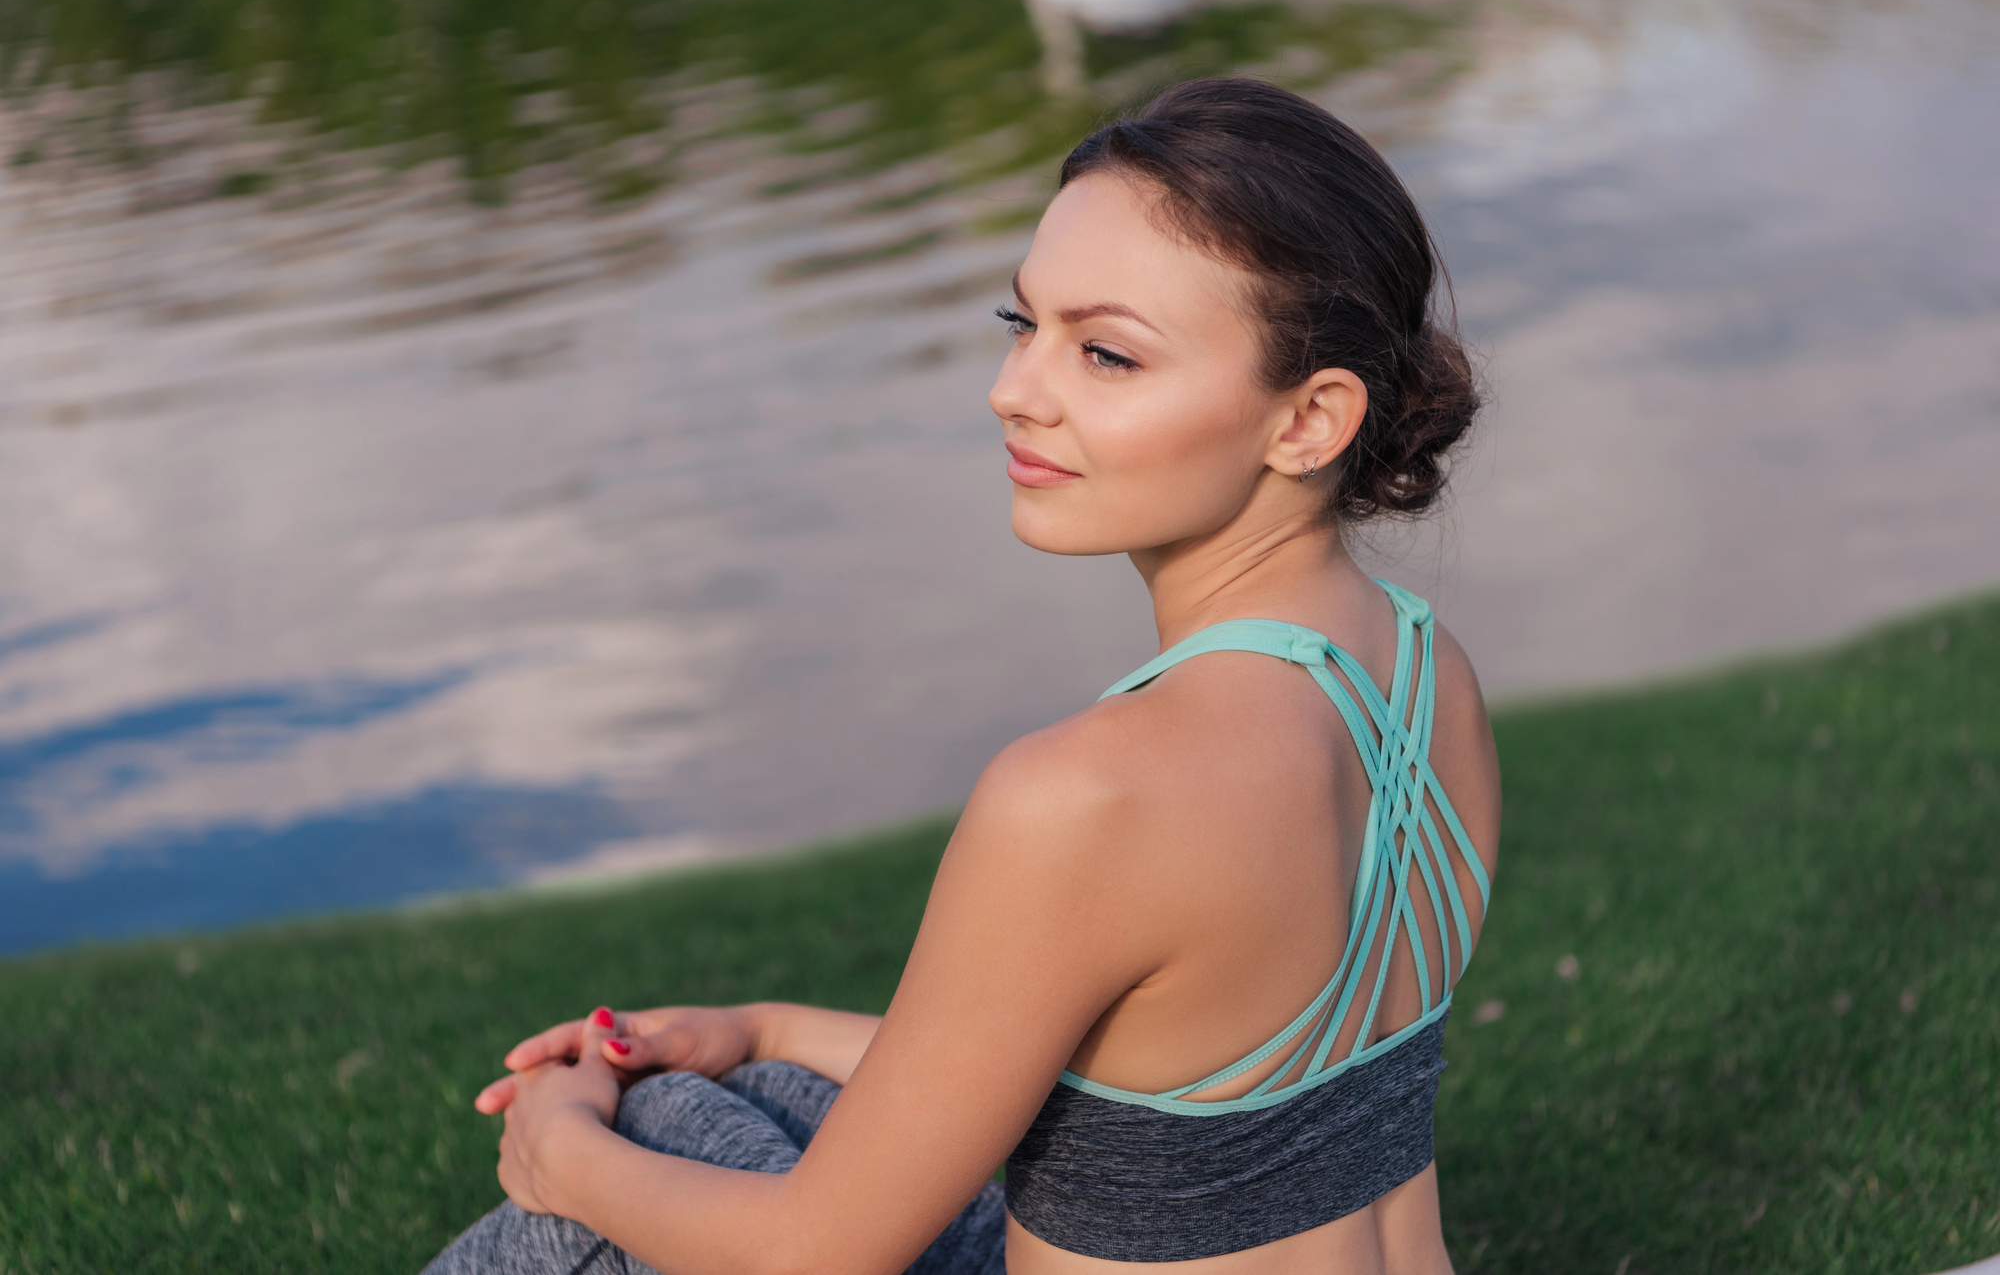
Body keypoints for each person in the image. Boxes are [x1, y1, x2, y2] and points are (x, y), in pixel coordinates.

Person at [425, 76, 1500, 1275]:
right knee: (745, 1089)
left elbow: (815, 1254)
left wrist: (561, 1150)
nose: (1013, 391)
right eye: (1020, 326)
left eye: (1102, 354)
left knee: (598, 1192)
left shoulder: (1090, 793)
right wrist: (760, 1027)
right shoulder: (1418, 673)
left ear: (1307, 421)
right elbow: (1165, 1068)